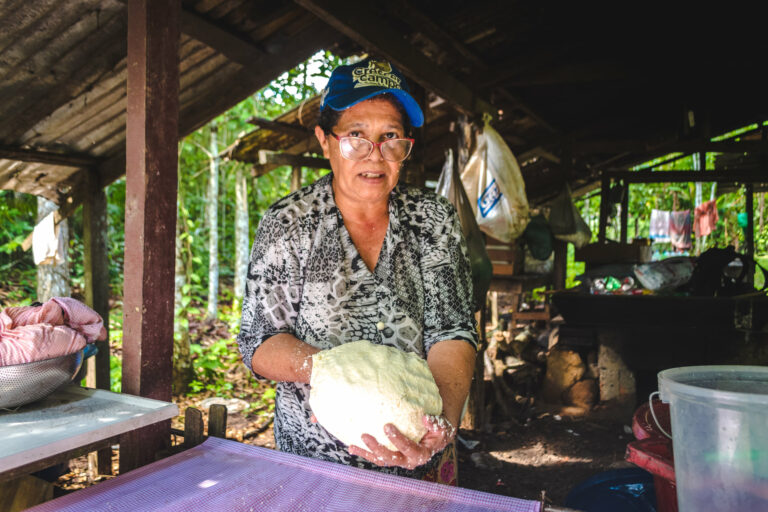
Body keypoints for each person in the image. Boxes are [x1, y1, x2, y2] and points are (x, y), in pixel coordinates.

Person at [237, 57, 477, 483]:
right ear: (324, 141)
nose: (375, 155)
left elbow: (452, 331)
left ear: (407, 146)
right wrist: (336, 371)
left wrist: (440, 426)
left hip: (419, 454)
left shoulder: (433, 220)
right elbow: (259, 341)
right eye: (356, 138)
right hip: (316, 463)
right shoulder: (289, 223)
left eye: (390, 137)